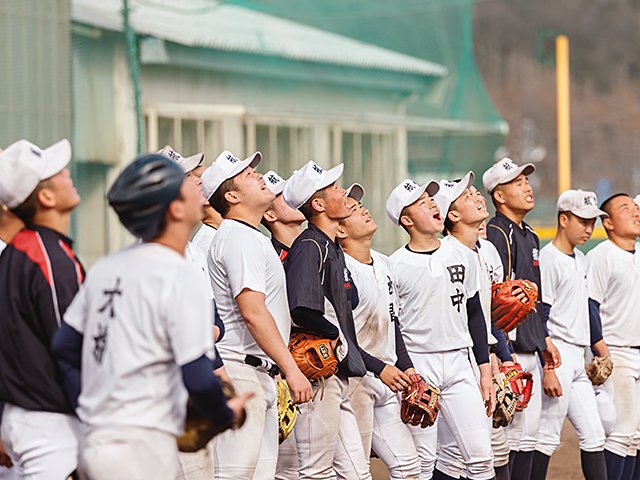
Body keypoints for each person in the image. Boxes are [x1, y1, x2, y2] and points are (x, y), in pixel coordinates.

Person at [51, 153, 249, 479]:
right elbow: (199, 376)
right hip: (142, 448)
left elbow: (64, 347)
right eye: (185, 185)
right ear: (175, 209)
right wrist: (224, 412)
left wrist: (88, 405)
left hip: (93, 441)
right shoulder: (177, 274)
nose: (196, 185)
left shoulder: (107, 266)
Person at [207, 150, 312, 480]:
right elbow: (252, 312)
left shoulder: (249, 236)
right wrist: (291, 369)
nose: (259, 175)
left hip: (257, 373)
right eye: (247, 175)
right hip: (240, 371)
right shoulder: (238, 236)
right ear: (233, 196)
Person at [386, 178, 495, 480]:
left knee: (481, 457)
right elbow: (392, 324)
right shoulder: (394, 265)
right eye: (422, 203)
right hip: (420, 364)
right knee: (422, 463)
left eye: (432, 199)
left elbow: (475, 314)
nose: (433, 204)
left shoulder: (462, 254)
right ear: (406, 220)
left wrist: (484, 371)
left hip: (461, 362)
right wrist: (406, 369)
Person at [282, 160, 371, 479]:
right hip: (318, 373)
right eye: (334, 188)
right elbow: (301, 308)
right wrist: (333, 333)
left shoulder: (330, 245)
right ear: (318, 204)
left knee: (357, 473)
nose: (343, 191)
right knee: (315, 471)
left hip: (337, 373)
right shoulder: (309, 245)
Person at [0, 139, 83, 478]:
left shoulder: (16, 251)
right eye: (57, 172)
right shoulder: (44, 254)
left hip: (27, 416)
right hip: (48, 423)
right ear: (46, 198)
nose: (67, 173)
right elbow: (70, 347)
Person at [482, 157, 561, 480]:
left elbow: (536, 298)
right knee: (507, 444)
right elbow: (492, 299)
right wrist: (503, 354)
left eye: (525, 180)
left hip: (531, 347)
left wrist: (545, 341)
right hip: (510, 351)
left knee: (529, 440)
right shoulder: (497, 233)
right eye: (517, 182)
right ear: (498, 195)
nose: (527, 186)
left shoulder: (529, 235)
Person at [336, 183, 421, 479]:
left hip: (387, 377)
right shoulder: (339, 268)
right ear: (341, 231)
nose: (363, 209)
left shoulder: (384, 263)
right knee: (356, 473)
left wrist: (406, 366)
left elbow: (393, 321)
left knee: (410, 467)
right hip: (356, 380)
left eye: (361, 206)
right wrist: (378, 367)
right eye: (353, 210)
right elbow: (341, 337)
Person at [433, 174, 514, 480]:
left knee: (458, 455)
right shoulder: (447, 255)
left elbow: (480, 318)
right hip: (448, 362)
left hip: (473, 358)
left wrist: (493, 356)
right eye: (466, 196)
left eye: (474, 191)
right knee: (451, 456)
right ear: (452, 215)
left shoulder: (476, 251)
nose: (477, 196)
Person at [530, 190, 607, 480]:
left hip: (578, 356)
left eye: (592, 222)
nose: (589, 228)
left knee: (594, 435)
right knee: (547, 436)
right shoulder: (549, 259)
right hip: (557, 354)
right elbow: (541, 314)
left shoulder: (581, 259)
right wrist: (547, 366)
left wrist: (598, 347)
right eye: (583, 221)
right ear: (563, 219)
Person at [586, 193, 640, 480]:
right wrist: (601, 350)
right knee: (621, 433)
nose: (635, 213)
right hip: (616, 351)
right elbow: (590, 305)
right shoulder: (601, 256)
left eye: (635, 208)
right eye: (625, 208)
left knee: (635, 436)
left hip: (637, 351)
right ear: (607, 222)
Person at [260, 169, 305, 480]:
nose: (290, 198)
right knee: (283, 470)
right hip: (284, 371)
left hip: (316, 370)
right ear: (269, 213)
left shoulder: (320, 248)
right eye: (281, 195)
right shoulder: (268, 255)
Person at [261, 170, 306, 261]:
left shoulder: (319, 246)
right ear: (270, 215)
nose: (294, 197)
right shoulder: (272, 261)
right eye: (284, 195)